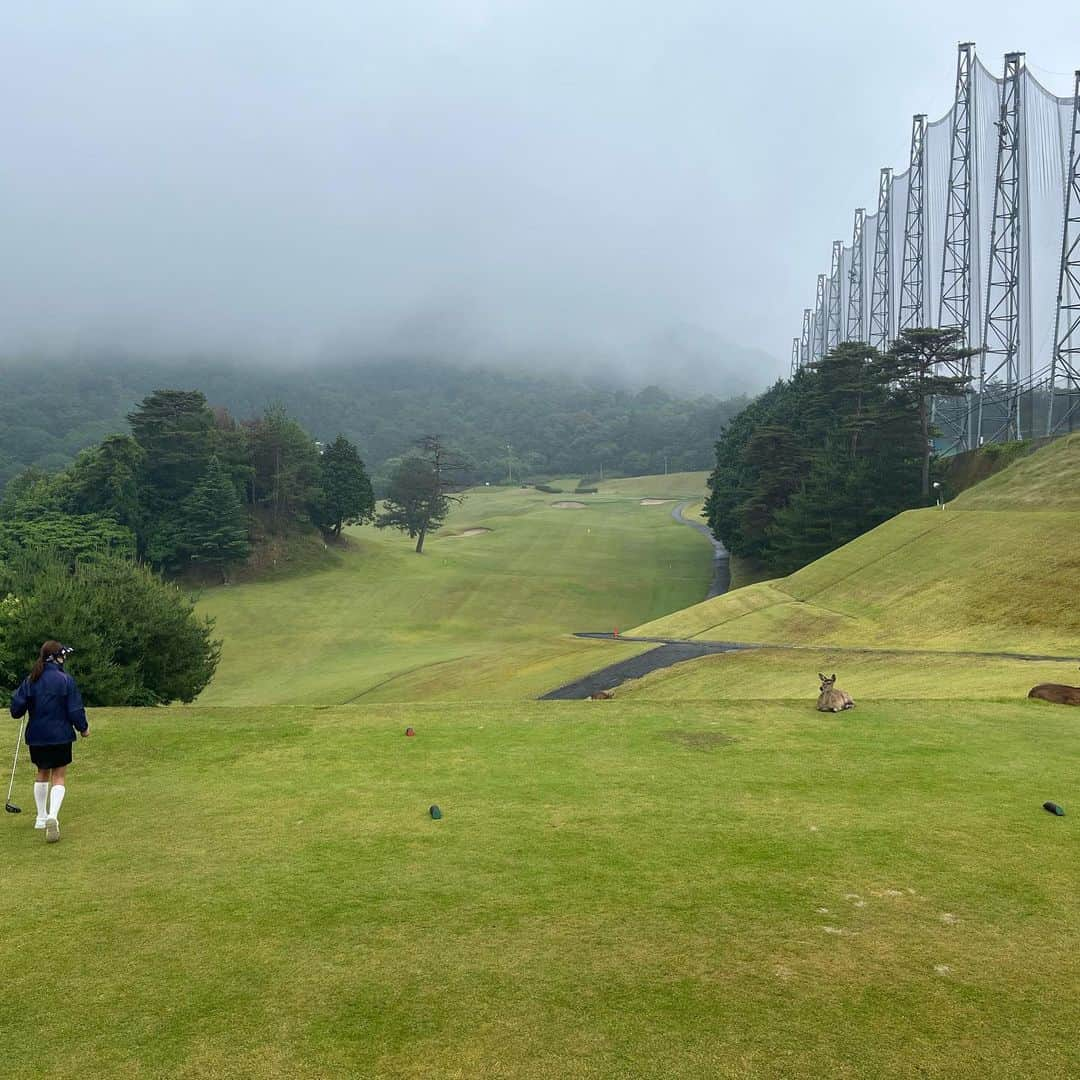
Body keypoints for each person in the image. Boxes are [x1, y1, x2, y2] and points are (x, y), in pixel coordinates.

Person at [9, 641, 89, 843]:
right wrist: (83, 728)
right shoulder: (65, 680)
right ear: (57, 657)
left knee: (42, 772)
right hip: (60, 735)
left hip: (37, 736)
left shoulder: (31, 679)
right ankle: (53, 815)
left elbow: (16, 710)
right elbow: (74, 710)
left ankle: (41, 817)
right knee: (59, 775)